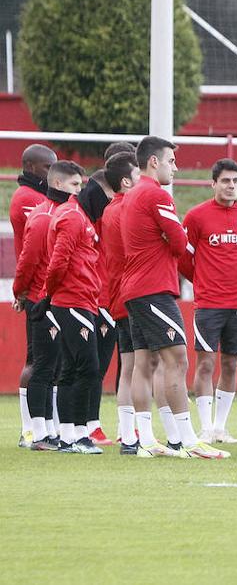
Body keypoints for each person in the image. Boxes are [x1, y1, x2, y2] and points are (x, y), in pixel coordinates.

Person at [122, 136, 227, 459]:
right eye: (171, 161)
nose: (175, 168)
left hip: (134, 288)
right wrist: (170, 237)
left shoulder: (131, 194)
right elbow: (181, 244)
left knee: (144, 363)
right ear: (154, 161)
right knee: (177, 360)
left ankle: (146, 440)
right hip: (153, 288)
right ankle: (187, 441)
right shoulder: (156, 195)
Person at [181, 159, 237, 445]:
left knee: (231, 364)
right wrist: (202, 280)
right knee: (205, 364)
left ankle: (220, 428)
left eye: (235, 181)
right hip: (209, 304)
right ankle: (205, 428)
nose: (231, 186)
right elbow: (183, 259)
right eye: (225, 181)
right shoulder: (196, 216)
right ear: (213, 183)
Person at [41, 160, 104, 454]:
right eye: (75, 184)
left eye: (80, 184)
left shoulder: (76, 215)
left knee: (71, 368)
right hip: (73, 299)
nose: (79, 189)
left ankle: (69, 435)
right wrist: (49, 294)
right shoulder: (72, 217)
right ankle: (77, 434)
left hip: (78, 298)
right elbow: (58, 262)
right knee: (88, 368)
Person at [10, 143, 55, 448]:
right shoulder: (28, 199)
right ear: (30, 167)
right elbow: (36, 248)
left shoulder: (39, 197)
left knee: (49, 362)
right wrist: (21, 288)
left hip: (47, 289)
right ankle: (29, 430)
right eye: (46, 168)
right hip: (37, 290)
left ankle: (47, 426)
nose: (50, 174)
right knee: (36, 360)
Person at [99, 152, 141, 453]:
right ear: (126, 181)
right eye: (138, 174)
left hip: (119, 295)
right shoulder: (130, 208)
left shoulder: (110, 210)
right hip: (137, 296)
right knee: (150, 367)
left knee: (129, 368)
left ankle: (128, 435)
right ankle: (148, 434)